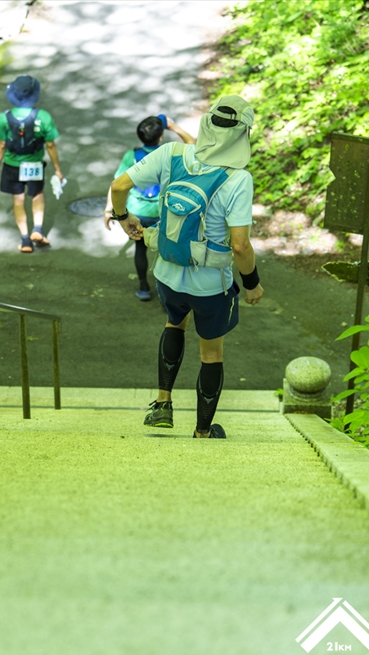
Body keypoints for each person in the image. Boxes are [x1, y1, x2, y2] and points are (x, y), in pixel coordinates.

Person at [109, 95, 264, 439]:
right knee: (211, 353)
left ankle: (162, 403)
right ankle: (203, 432)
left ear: (207, 124)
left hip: (167, 273)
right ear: (242, 135)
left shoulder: (172, 154)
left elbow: (119, 186)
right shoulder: (238, 179)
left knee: (174, 323)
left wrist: (124, 217)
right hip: (210, 284)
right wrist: (252, 283)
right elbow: (240, 245)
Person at [104, 115, 195, 301]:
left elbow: (116, 184)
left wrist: (108, 209)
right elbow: (192, 144)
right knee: (166, 253)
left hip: (138, 212)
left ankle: (144, 287)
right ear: (161, 136)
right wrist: (173, 126)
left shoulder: (131, 155)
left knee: (140, 248)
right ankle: (165, 294)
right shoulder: (169, 153)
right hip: (163, 212)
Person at [0, 75, 64, 253]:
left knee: (18, 199)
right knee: (37, 195)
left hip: (12, 165)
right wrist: (57, 169)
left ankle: (25, 240)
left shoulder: (4, 117)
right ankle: (38, 230)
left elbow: (1, 145)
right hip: (34, 165)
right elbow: (50, 145)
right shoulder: (43, 117)